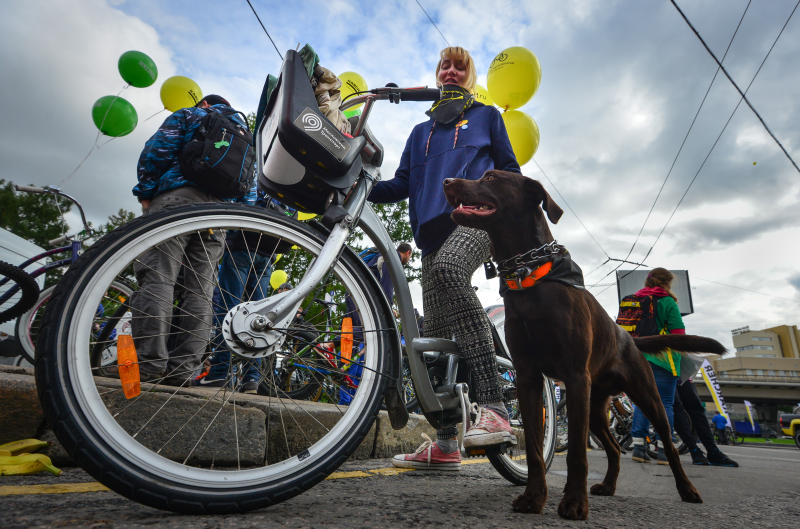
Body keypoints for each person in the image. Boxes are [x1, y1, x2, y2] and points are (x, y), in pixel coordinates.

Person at [368, 46, 521, 470]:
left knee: (454, 272)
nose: (451, 71)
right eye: (445, 65)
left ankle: (494, 407)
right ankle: (447, 442)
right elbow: (400, 184)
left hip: (476, 221)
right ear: (437, 74)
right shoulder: (420, 134)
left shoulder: (488, 116)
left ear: (469, 77)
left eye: (460, 67)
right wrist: (362, 188)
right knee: (434, 337)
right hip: (430, 237)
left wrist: (514, 221)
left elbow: (510, 169)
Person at [129, 95, 237, 385]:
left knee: (158, 277)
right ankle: (184, 370)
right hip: (219, 215)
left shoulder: (191, 115)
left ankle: (148, 364)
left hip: (177, 201)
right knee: (201, 290)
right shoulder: (242, 132)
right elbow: (247, 184)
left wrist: (147, 191)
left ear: (204, 104)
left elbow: (158, 150)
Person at [629, 268, 684, 464]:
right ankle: (663, 449)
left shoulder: (635, 300)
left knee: (641, 402)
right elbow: (678, 333)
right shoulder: (668, 302)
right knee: (665, 403)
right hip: (663, 359)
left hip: (637, 358)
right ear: (667, 283)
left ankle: (638, 447)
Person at [673, 376, 739, 467]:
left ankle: (713, 451)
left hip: (681, 370)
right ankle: (694, 450)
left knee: (696, 408)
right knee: (677, 409)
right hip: (661, 368)